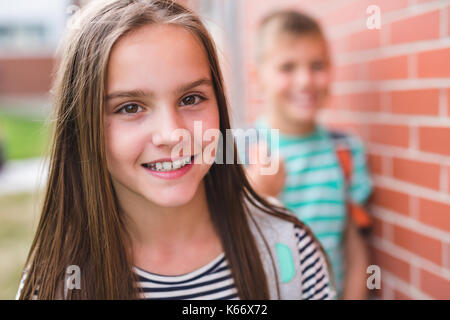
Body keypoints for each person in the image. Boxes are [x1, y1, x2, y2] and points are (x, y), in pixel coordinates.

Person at [16, 0, 334, 300]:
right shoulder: (56, 284)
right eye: (130, 107)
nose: (173, 134)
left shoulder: (288, 250)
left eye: (190, 99)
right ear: (82, 127)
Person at [245, 10, 373, 299]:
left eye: (317, 65)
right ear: (258, 76)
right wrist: (259, 193)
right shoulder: (237, 149)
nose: (305, 80)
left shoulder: (345, 150)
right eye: (287, 67)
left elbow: (354, 249)